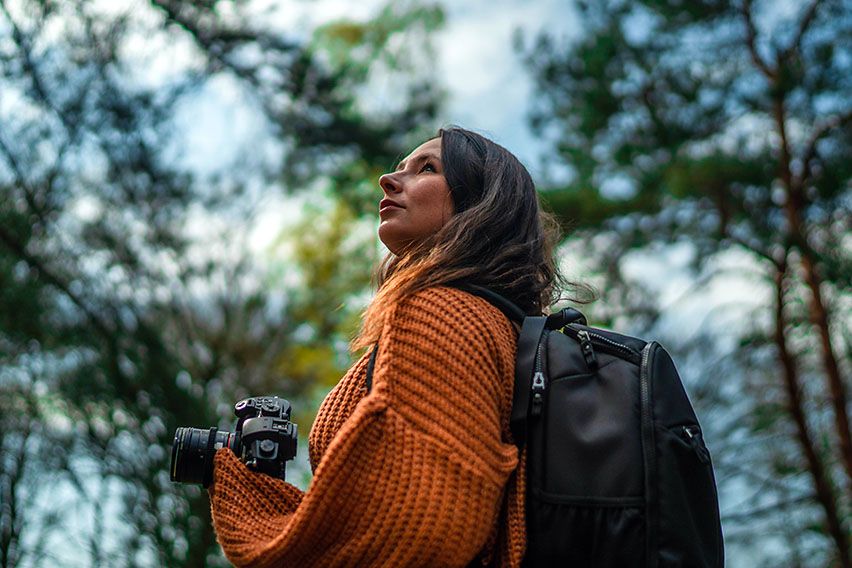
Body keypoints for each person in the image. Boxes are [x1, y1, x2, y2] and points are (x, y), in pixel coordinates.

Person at [208, 126, 566, 567]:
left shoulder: (444, 312)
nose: (388, 180)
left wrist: (250, 508)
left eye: (427, 168)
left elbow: (416, 531)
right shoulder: (498, 324)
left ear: (481, 203)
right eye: (399, 167)